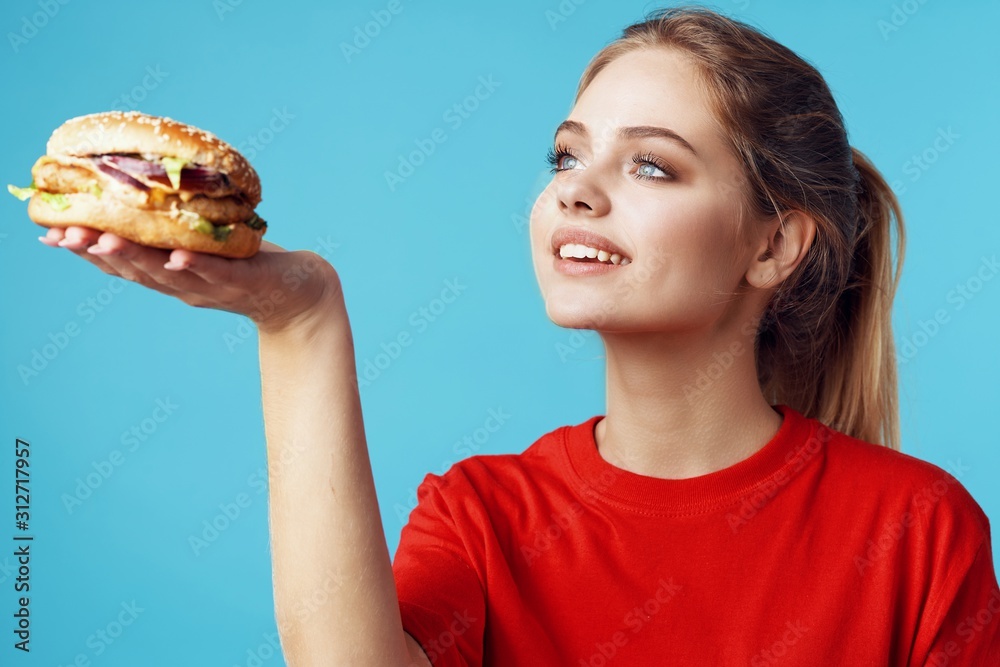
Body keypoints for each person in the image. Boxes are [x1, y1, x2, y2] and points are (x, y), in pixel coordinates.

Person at [41, 5, 999, 666]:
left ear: (774, 242)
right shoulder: (479, 516)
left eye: (654, 167)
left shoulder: (917, 528)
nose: (577, 188)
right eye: (568, 153)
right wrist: (300, 319)